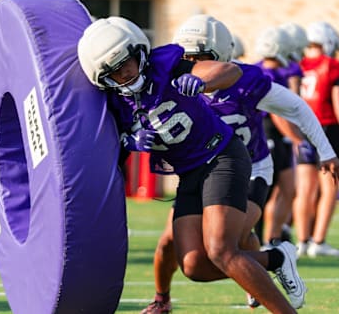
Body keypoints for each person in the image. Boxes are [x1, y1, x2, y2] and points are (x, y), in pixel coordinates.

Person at [78, 16, 307, 312]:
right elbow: (106, 151)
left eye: (127, 61)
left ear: (139, 51)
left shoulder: (166, 63)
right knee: (195, 265)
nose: (125, 72)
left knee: (222, 251)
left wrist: (201, 80)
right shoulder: (115, 104)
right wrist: (128, 142)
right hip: (189, 174)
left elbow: (227, 70)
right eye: (114, 72)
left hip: (221, 156)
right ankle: (276, 258)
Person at [142, 15, 339, 312]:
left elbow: (296, 107)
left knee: (225, 245)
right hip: (198, 172)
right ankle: (163, 299)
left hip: (248, 169)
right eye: (186, 57)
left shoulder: (244, 80)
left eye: (200, 58)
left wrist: (326, 151)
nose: (191, 63)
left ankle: (265, 269)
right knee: (170, 245)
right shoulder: (170, 82)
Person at [294, 21, 339, 258]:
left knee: (304, 190)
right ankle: (318, 240)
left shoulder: (299, 64)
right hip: (326, 128)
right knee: (329, 188)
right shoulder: (331, 65)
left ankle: (302, 240)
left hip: (302, 128)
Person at [253, 26, 299, 247]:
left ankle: (272, 238)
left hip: (270, 133)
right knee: (265, 192)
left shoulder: (255, 69)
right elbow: (277, 114)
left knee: (288, 189)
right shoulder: (272, 76)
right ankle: (261, 239)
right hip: (270, 132)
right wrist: (298, 138)